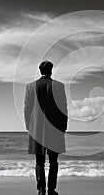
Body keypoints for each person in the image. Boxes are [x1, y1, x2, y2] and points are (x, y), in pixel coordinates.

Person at [24, 60, 68, 195]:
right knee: (53, 161)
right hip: (55, 127)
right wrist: (63, 127)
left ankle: (41, 190)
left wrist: (29, 126)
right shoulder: (59, 86)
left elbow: (27, 109)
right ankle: (51, 190)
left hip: (36, 128)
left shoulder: (30, 87)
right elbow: (63, 109)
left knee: (39, 161)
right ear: (51, 70)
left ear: (40, 70)